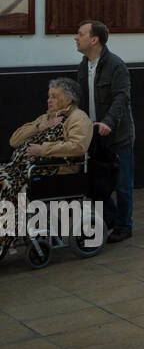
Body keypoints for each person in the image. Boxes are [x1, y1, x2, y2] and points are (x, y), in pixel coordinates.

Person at [2, 78, 93, 252]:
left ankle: (5, 239)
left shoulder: (78, 118)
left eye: (54, 96)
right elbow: (14, 140)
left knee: (5, 183)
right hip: (24, 167)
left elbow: (78, 147)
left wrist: (42, 150)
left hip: (55, 172)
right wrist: (39, 127)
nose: (49, 100)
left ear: (68, 99)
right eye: (49, 96)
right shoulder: (46, 117)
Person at [74, 20, 136, 243]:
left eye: (80, 34)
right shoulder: (83, 66)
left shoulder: (116, 65)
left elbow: (121, 98)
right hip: (94, 135)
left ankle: (124, 226)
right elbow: (80, 99)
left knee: (122, 184)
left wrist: (108, 122)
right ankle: (111, 218)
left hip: (118, 135)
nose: (76, 38)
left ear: (94, 39)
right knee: (96, 184)